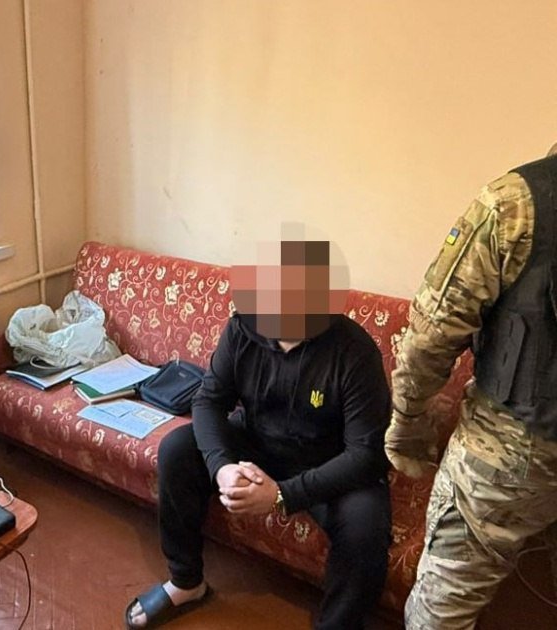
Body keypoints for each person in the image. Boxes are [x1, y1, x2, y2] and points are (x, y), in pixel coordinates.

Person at [125, 239, 392, 629]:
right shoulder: (243, 328)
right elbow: (208, 401)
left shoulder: (354, 352)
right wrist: (222, 468)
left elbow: (366, 455)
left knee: (366, 524)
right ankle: (186, 581)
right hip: (257, 440)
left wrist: (282, 495)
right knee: (178, 448)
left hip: (327, 460)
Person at [387, 147, 557, 629]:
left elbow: (432, 335)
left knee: (441, 612)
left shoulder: (516, 203)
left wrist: (406, 422)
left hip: (512, 452)